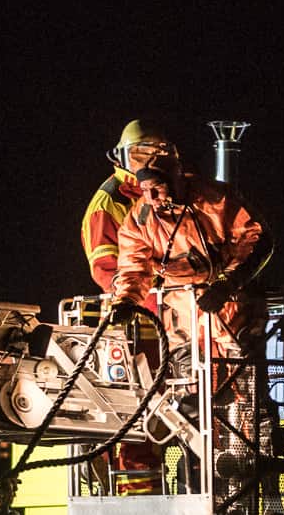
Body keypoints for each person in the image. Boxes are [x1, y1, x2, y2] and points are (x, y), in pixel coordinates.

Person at [105, 123, 272, 365]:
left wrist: (227, 284)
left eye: (157, 188)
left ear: (174, 180)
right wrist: (125, 302)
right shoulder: (139, 221)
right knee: (185, 386)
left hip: (234, 313)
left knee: (245, 384)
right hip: (183, 319)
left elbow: (256, 239)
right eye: (145, 190)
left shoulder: (215, 200)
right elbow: (133, 268)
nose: (151, 197)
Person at [80, 120, 171, 495]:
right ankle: (139, 501)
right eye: (141, 153)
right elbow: (107, 270)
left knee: (186, 420)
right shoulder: (110, 202)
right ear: (121, 157)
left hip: (174, 328)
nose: (150, 160)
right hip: (135, 330)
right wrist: (159, 294)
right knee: (137, 426)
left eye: (158, 152)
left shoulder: (167, 193)